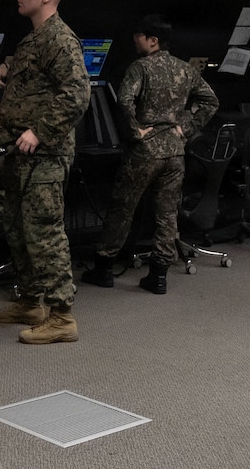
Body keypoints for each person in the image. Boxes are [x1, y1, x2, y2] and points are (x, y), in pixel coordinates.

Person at [0, 0, 90, 345]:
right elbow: (35, 70)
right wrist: (8, 64)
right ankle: (30, 301)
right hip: (18, 154)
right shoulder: (35, 38)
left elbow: (77, 95)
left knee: (44, 233)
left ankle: (62, 316)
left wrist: (40, 132)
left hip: (43, 156)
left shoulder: (60, 39)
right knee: (17, 230)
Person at [82, 15, 219, 295]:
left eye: (138, 39)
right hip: (174, 152)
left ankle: (104, 269)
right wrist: (186, 128)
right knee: (167, 214)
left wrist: (135, 132)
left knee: (122, 209)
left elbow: (124, 100)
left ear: (152, 40)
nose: (135, 43)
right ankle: (158, 276)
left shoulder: (140, 67)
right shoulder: (185, 69)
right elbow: (210, 101)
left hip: (144, 153)